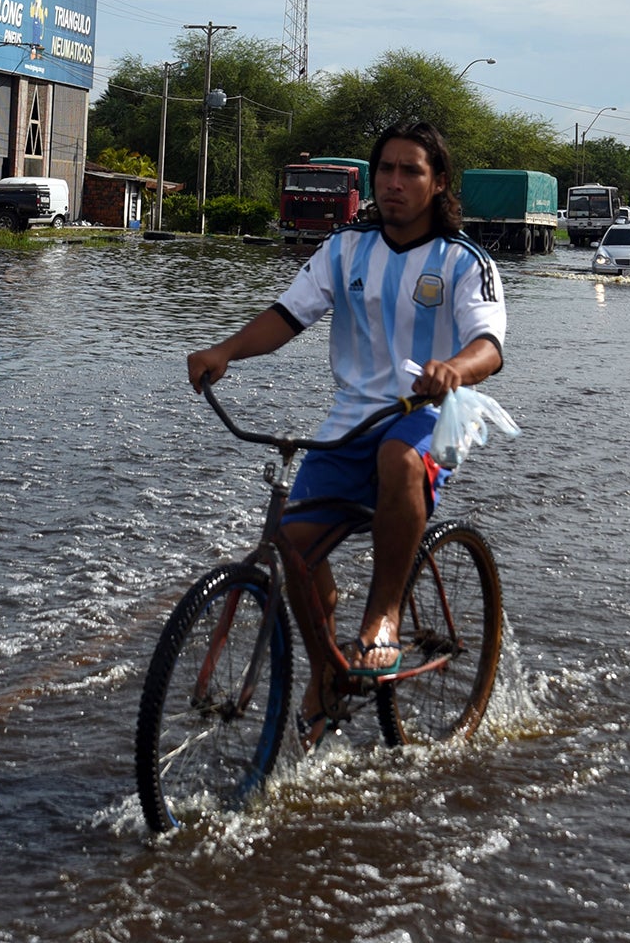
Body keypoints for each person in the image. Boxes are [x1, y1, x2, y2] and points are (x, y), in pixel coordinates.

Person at [186, 121, 505, 743]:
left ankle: (383, 618)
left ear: (437, 184)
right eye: (385, 169)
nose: (394, 182)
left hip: (428, 414)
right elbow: (288, 315)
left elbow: (489, 345)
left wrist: (453, 369)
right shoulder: (345, 248)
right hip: (350, 419)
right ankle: (327, 671)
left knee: (396, 457)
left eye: (411, 171)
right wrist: (225, 350)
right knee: (290, 546)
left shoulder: (463, 260)